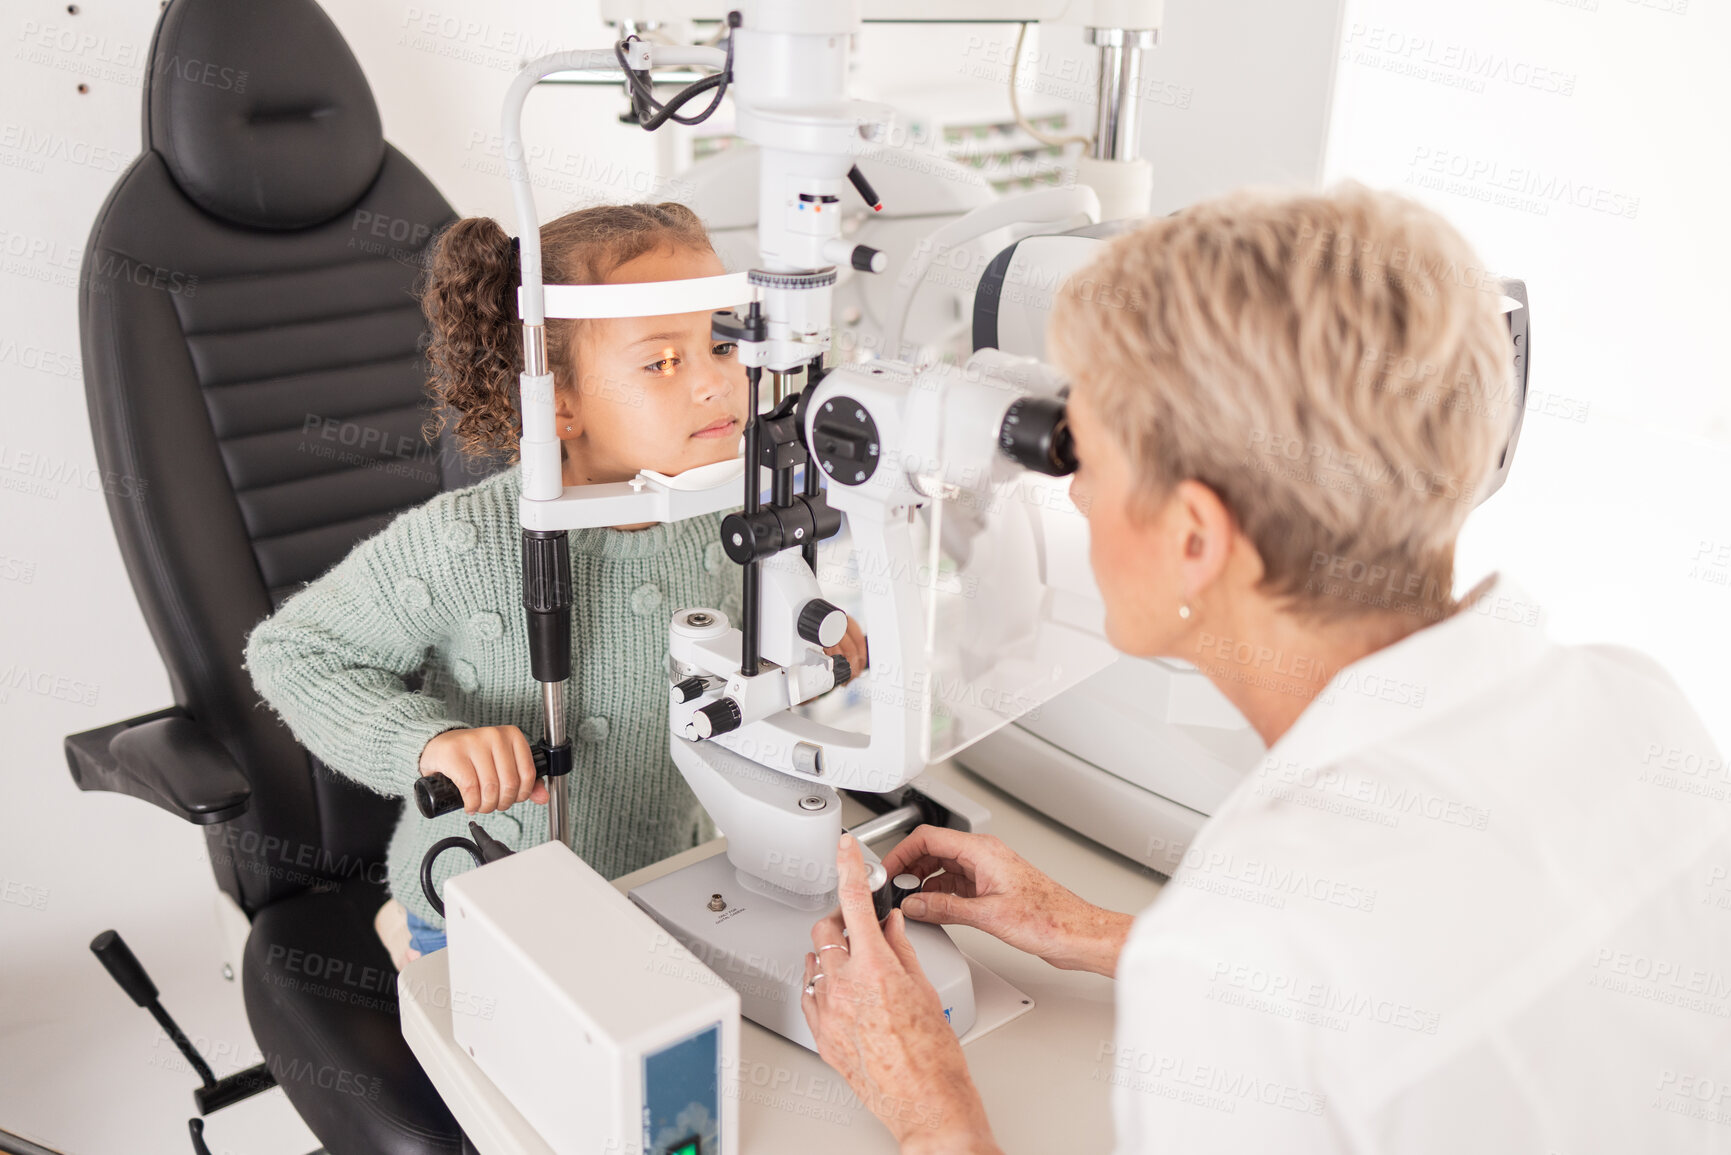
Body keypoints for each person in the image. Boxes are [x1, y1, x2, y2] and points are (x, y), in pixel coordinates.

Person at [798, 184, 1731, 1153]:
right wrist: (1127, 943)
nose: (1073, 493)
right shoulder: (1636, 703)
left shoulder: (1250, 934)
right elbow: (1470, 981)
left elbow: (1314, 973)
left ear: (1196, 537)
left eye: (1092, 453)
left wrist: (927, 1103)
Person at [243, 202, 865, 965]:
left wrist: (821, 638)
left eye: (722, 343)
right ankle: (403, 933)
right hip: (485, 903)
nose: (715, 385)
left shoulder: (729, 507)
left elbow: (768, 642)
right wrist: (429, 742)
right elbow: (291, 651)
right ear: (557, 403)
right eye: (662, 361)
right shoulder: (464, 540)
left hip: (670, 878)